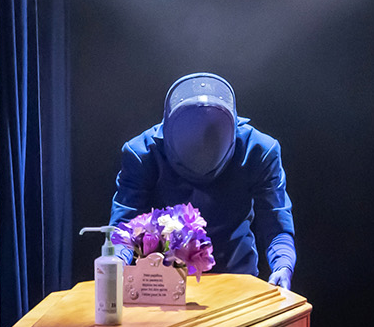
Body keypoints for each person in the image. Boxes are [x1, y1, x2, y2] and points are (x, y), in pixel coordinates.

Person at [112, 73, 296, 287]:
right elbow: (124, 226)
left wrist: (283, 266)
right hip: (162, 282)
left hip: (236, 278)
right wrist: (116, 262)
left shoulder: (259, 150)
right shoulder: (142, 153)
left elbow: (276, 222)